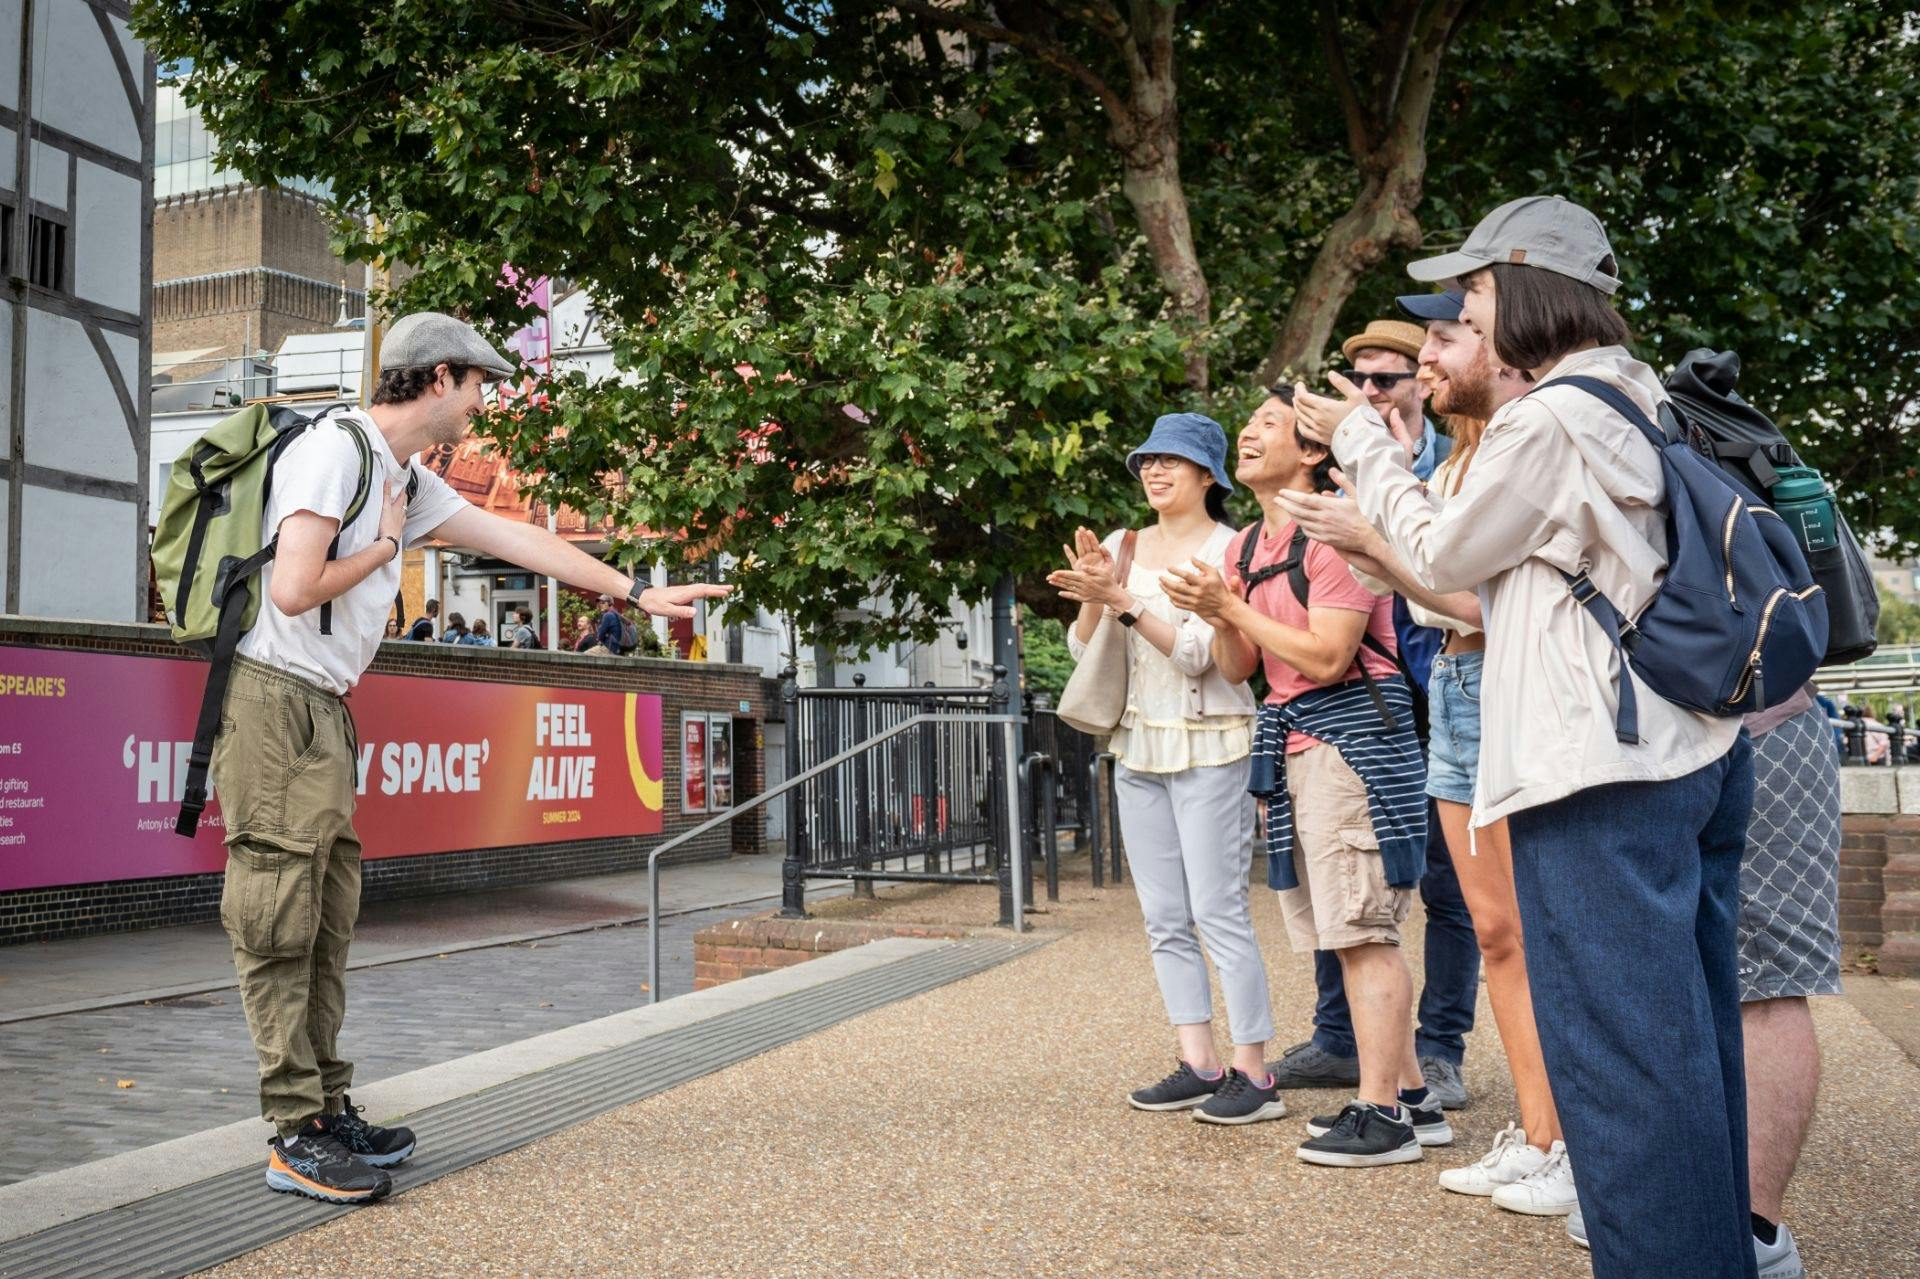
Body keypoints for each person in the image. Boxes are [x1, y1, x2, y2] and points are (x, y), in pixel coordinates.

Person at [1289, 196, 1755, 1277]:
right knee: (1685, 1047)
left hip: (1598, 770)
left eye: (1477, 296)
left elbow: (1446, 555)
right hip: (1677, 751)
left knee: (1623, 1064)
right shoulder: (1634, 397)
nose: (1464, 314)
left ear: (1534, 291)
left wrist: (1361, 445)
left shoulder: (1554, 416)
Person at [210, 311, 727, 1205]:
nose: (483, 403)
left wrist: (638, 591)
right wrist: (385, 543)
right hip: (273, 700)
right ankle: (293, 1134)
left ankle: (328, 1110)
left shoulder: (400, 471)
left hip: (324, 708)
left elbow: (521, 540)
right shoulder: (340, 450)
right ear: (439, 378)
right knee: (278, 916)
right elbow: (294, 588)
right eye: (480, 385)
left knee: (328, 918)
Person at [1285, 293, 1577, 1216]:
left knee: (1529, 932)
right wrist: (1371, 551)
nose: (1428, 361)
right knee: (1496, 932)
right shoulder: (1454, 458)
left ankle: (1569, 1140)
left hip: (1500, 683)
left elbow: (1487, 604)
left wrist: (1372, 543)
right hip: (1452, 691)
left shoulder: (1527, 444)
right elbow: (1433, 593)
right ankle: (1539, 1136)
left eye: (1444, 339)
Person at [1163, 392, 1440, 1168]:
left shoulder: (1334, 532)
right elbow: (1241, 667)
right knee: (1341, 933)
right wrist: (1221, 612)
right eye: (1246, 425)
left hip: (1355, 745)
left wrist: (1230, 608)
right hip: (1300, 746)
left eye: (1268, 426)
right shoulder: (1245, 545)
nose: (1247, 435)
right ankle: (1414, 1098)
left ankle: (1382, 1114)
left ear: (1314, 453)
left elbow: (1326, 656)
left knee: (1363, 932)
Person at [1272, 318, 1482, 1115]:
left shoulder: (1452, 462)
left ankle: (1438, 1050)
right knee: (1343, 878)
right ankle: (1340, 1038)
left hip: (1447, 699)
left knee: (1449, 890)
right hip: (1373, 711)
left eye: (1386, 380)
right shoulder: (1338, 477)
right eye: (1357, 380)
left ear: (1421, 384)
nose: (1368, 394)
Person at [1047, 413, 1280, 1125]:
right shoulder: (1122, 544)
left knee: (1219, 911)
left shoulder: (1231, 547)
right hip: (1138, 743)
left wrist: (1122, 601)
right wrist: (1096, 592)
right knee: (1163, 916)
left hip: (1213, 739)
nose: (1154, 471)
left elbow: (1197, 654)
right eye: (1147, 460)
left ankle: (1255, 1070)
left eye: (1171, 460)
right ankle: (1199, 1059)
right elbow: (1083, 643)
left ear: (1208, 474)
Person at [1735, 686, 1843, 1279]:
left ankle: (1754, 1232)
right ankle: (1690, 1207)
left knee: (1765, 982)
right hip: (1631, 745)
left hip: (1756, 726)